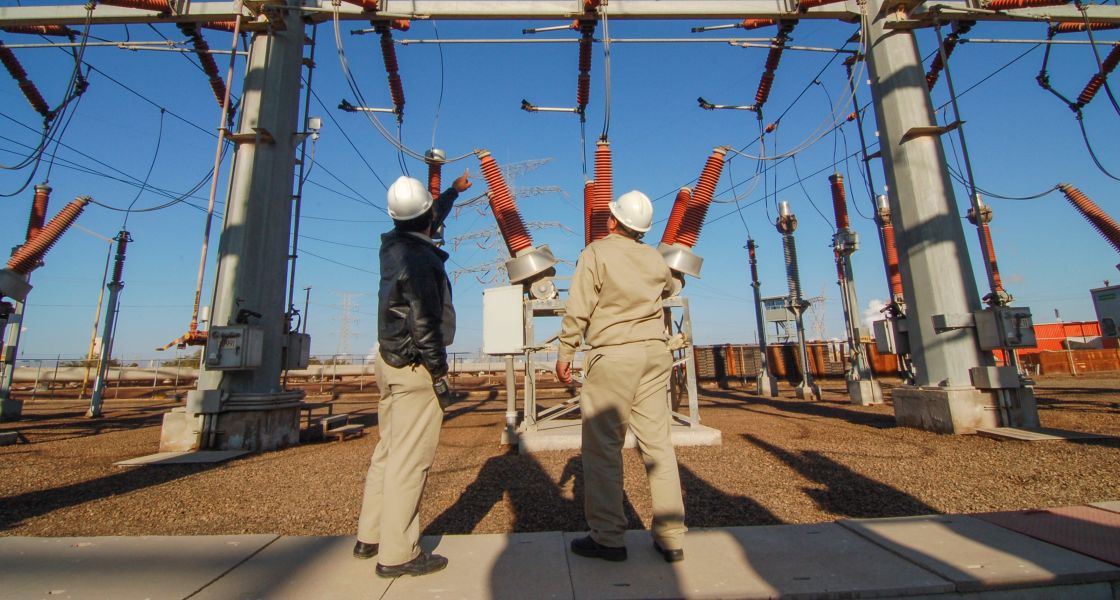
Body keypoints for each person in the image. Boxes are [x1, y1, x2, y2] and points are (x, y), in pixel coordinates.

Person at [555, 190, 687, 564]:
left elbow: (579, 307)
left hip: (613, 356)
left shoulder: (596, 253)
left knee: (603, 448)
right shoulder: (654, 258)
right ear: (642, 228)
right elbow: (671, 286)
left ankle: (609, 537)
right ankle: (671, 535)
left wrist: (565, 351)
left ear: (613, 221)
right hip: (653, 355)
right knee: (658, 445)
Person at [354, 170, 471, 578]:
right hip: (414, 363)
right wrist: (439, 373)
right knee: (410, 460)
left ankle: (370, 536)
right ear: (425, 221)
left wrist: (452, 194)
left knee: (388, 451)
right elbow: (424, 322)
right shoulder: (421, 259)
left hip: (388, 359)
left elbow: (424, 218)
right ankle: (399, 554)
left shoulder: (394, 245)